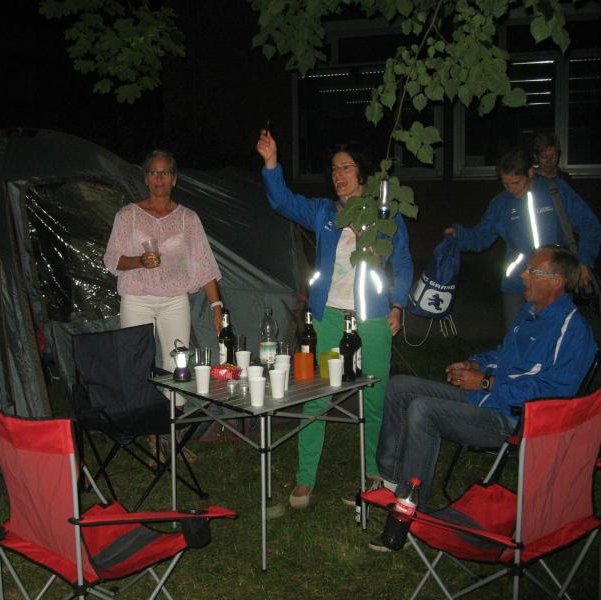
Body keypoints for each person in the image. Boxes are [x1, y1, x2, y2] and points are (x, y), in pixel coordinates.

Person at [373, 246, 596, 551]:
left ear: (556, 281)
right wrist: (475, 365)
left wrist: (487, 383)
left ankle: (410, 514)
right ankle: (390, 480)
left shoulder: (573, 331)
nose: (523, 275)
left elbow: (554, 395)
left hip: (515, 422)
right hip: (486, 399)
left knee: (423, 410)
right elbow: (503, 356)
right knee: (401, 387)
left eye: (532, 270)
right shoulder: (530, 313)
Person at [256, 130, 413, 509]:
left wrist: (397, 306)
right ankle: (305, 479)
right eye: (333, 169)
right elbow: (282, 201)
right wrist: (271, 163)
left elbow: (403, 261)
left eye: (346, 168)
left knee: (373, 400)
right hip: (329, 320)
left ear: (363, 173)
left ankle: (374, 475)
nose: (338, 175)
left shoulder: (383, 214)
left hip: (372, 320)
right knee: (317, 396)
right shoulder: (325, 213)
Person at [445, 148, 601, 330]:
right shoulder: (501, 203)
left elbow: (589, 225)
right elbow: (482, 237)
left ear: (530, 172)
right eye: (506, 184)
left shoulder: (555, 191)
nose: (511, 189)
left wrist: (584, 261)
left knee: (554, 338)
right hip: (517, 284)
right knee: (516, 338)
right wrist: (460, 235)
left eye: (516, 182)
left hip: (555, 281)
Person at [103, 148, 224, 378]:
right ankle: (140, 402)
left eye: (165, 173)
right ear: (146, 178)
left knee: (177, 362)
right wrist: (139, 261)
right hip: (137, 300)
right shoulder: (128, 215)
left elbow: (205, 265)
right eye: (154, 172)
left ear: (174, 179)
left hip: (174, 301)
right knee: (136, 362)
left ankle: (173, 402)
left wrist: (216, 308)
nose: (159, 178)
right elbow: (111, 258)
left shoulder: (188, 218)